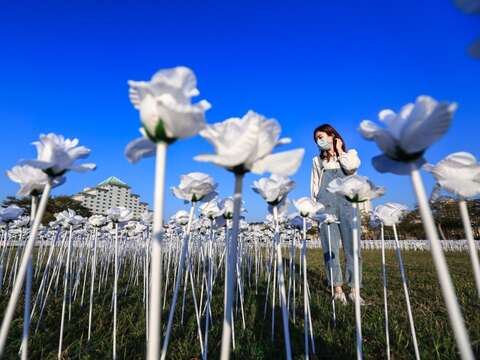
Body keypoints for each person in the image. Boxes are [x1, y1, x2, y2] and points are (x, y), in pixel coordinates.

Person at [310, 123, 363, 305]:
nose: (319, 141)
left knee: (353, 247)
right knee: (330, 248)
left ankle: (355, 289)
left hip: (348, 204)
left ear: (332, 136)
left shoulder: (350, 155)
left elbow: (351, 169)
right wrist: (315, 209)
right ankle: (337, 289)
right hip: (326, 205)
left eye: (321, 136)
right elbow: (315, 186)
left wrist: (339, 150)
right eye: (317, 139)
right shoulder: (317, 161)